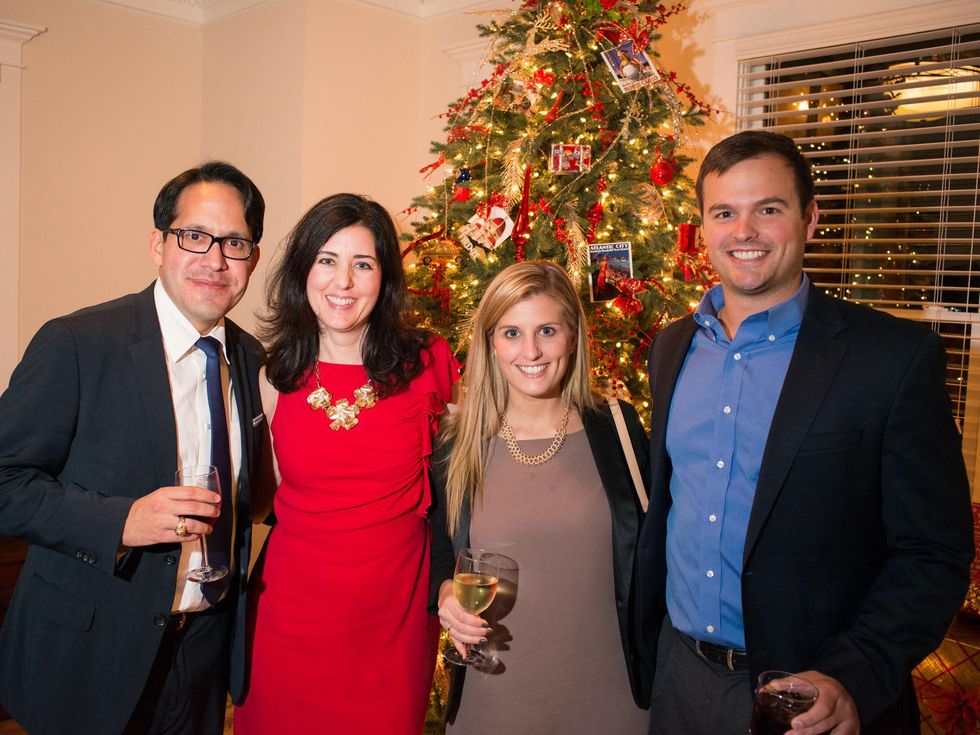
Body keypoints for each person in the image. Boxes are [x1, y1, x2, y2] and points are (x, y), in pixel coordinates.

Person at [634, 130, 974, 735]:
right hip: (679, 679)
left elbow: (933, 551)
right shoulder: (672, 348)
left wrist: (855, 673)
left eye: (768, 209)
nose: (744, 232)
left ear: (810, 218)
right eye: (724, 213)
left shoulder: (890, 358)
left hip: (812, 696)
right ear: (703, 228)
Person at [0, 161, 268, 735]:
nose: (215, 259)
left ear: (253, 259)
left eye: (235, 243)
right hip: (89, 651)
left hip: (202, 654)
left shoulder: (252, 360)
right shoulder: (77, 343)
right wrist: (121, 519)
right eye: (195, 235)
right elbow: (5, 481)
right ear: (158, 244)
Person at [234, 193, 459, 735]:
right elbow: (263, 498)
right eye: (327, 261)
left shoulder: (429, 362)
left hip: (393, 622)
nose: (344, 282)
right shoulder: (272, 377)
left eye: (363, 264)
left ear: (384, 279)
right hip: (289, 617)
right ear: (303, 271)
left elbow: (472, 475)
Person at [430, 260, 649, 734]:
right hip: (494, 701)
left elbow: (660, 555)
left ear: (572, 336)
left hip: (612, 699)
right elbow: (440, 556)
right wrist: (447, 593)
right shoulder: (458, 442)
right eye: (511, 332)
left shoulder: (619, 430)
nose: (530, 350)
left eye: (547, 330)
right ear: (490, 343)